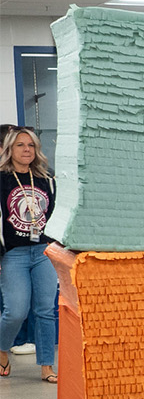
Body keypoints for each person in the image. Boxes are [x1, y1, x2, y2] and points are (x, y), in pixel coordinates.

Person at [0, 126, 59, 383]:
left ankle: (47, 366)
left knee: (45, 310)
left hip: (44, 251)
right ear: (9, 150)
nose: (27, 150)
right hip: (14, 254)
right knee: (16, 311)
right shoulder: (2, 179)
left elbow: (56, 217)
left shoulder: (47, 179)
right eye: (20, 145)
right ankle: (2, 348)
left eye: (31, 145)